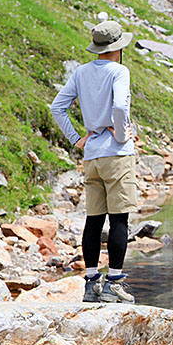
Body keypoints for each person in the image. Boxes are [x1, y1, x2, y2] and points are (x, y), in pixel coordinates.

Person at [50, 20, 137, 304]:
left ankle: (91, 284)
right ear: (118, 48)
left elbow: (57, 107)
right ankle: (114, 283)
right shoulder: (119, 71)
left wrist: (77, 139)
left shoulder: (81, 72)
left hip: (92, 156)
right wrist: (122, 134)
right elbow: (121, 106)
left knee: (94, 220)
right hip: (117, 154)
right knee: (120, 219)